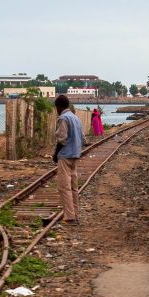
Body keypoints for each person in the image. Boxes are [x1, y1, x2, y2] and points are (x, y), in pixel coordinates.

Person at [53, 95, 83, 226]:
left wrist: (56, 153)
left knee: (64, 187)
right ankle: (75, 214)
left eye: (56, 108)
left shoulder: (63, 118)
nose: (57, 111)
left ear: (59, 107)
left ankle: (70, 217)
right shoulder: (76, 118)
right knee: (74, 187)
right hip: (75, 155)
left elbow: (62, 138)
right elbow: (83, 138)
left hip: (65, 156)